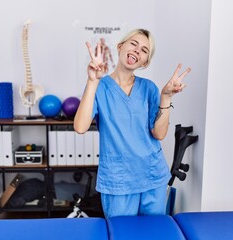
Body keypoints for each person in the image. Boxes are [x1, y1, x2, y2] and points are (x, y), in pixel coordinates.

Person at [74, 28, 191, 218]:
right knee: (122, 234)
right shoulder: (100, 87)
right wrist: (92, 81)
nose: (137, 51)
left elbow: (159, 134)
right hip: (118, 180)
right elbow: (80, 127)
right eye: (133, 44)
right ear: (120, 47)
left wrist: (166, 97)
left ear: (145, 62)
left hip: (153, 176)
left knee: (153, 235)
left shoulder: (149, 88)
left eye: (144, 50)